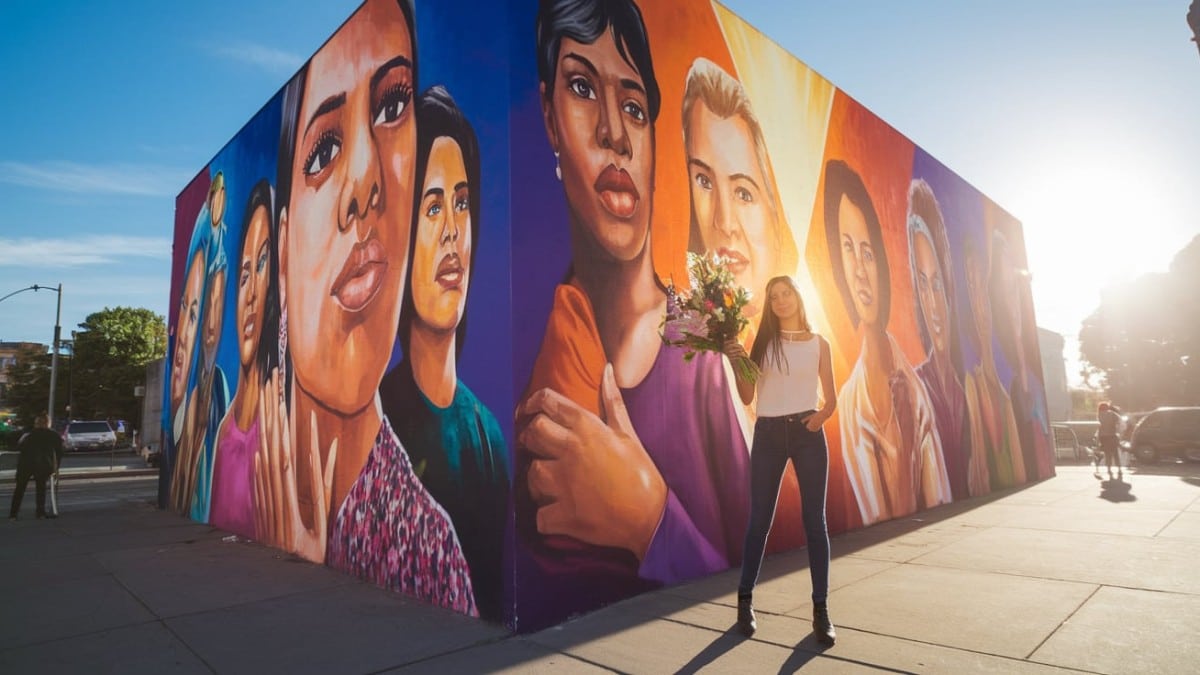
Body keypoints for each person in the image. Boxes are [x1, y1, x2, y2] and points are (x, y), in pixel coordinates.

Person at [516, 0, 749, 625]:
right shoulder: (544, 361)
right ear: (548, 116)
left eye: (635, 107)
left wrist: (649, 519)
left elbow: (752, 577)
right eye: (583, 88)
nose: (615, 134)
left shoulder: (703, 349)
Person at [255, 0, 476, 616]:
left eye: (391, 106)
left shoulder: (431, 554)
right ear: (283, 240)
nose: (365, 180)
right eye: (323, 151)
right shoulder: (240, 434)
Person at [379, 86, 509, 621]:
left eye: (461, 202)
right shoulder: (377, 425)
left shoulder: (487, 437)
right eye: (432, 207)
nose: (453, 231)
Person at [823, 159, 951, 525]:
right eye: (847, 249)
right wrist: (907, 442)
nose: (861, 272)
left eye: (867, 252)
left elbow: (937, 499)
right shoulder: (851, 405)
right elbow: (878, 522)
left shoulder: (915, 386)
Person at [722, 276, 838, 645]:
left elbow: (831, 399)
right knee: (760, 521)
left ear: (798, 296)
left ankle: (821, 610)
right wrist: (736, 360)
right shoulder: (765, 342)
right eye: (774, 297)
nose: (781, 301)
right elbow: (746, 396)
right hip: (769, 435)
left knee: (814, 522)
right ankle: (745, 601)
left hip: (808, 435)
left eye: (786, 293)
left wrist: (819, 418)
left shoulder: (820, 344)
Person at [682, 57, 798, 339]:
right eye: (704, 181)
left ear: (776, 213)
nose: (725, 223)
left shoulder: (799, 344)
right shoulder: (676, 329)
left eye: (743, 193)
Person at [211, 180, 278, 538]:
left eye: (265, 262)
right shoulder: (224, 431)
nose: (250, 293)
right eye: (245, 273)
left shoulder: (279, 427)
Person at [907, 180, 970, 500]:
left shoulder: (965, 393)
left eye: (936, 285)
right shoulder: (916, 392)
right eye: (921, 284)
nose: (932, 305)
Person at [961, 229, 1024, 492]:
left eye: (983, 288)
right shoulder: (970, 387)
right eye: (971, 288)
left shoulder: (1007, 396)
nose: (979, 304)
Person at [990, 230, 1054, 482]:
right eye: (1003, 291)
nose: (1012, 303)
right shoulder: (1001, 380)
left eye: (1014, 289)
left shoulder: (1033, 378)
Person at [8, 414, 64, 520]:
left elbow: (19, 447)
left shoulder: (28, 435)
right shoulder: (53, 435)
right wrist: (55, 468)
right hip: (42, 464)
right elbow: (59, 452)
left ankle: (13, 514)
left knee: (19, 489)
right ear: (48, 423)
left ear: (36, 423)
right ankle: (40, 513)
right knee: (41, 489)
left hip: (25, 465)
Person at [1097, 401, 1122, 479]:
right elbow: (1119, 421)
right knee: (1115, 453)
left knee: (1107, 454)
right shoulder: (1112, 414)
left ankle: (1109, 469)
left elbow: (1098, 426)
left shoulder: (1099, 415)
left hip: (1103, 437)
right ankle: (1119, 469)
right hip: (1112, 435)